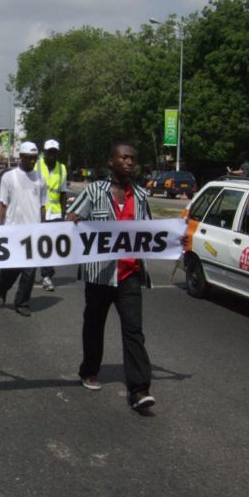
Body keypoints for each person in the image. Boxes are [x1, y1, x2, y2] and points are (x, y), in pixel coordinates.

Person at [65, 139, 158, 412]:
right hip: (100, 275)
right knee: (94, 325)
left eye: (132, 158)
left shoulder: (140, 195)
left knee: (134, 331)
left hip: (129, 274)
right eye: (124, 158)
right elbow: (74, 216)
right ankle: (89, 369)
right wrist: (72, 220)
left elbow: (152, 231)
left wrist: (177, 237)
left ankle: (139, 390)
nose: (129, 162)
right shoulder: (94, 191)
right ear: (111, 162)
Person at [0, 141, 46, 317]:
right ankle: (3, 289)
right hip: (13, 231)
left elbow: (42, 205)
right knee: (10, 271)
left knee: (30, 270)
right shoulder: (9, 177)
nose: (33, 161)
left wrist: (45, 227)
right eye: (29, 158)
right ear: (21, 157)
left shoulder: (40, 179)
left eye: (35, 158)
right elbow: (2, 203)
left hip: (32, 232)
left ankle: (22, 303)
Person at [35, 138, 69, 292]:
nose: (52, 156)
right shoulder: (36, 166)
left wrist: (63, 214)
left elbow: (63, 194)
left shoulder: (62, 169)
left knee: (52, 246)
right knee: (43, 245)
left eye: (55, 153)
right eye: (50, 153)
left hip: (55, 214)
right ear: (45, 153)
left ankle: (48, 272)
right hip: (39, 212)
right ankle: (46, 275)